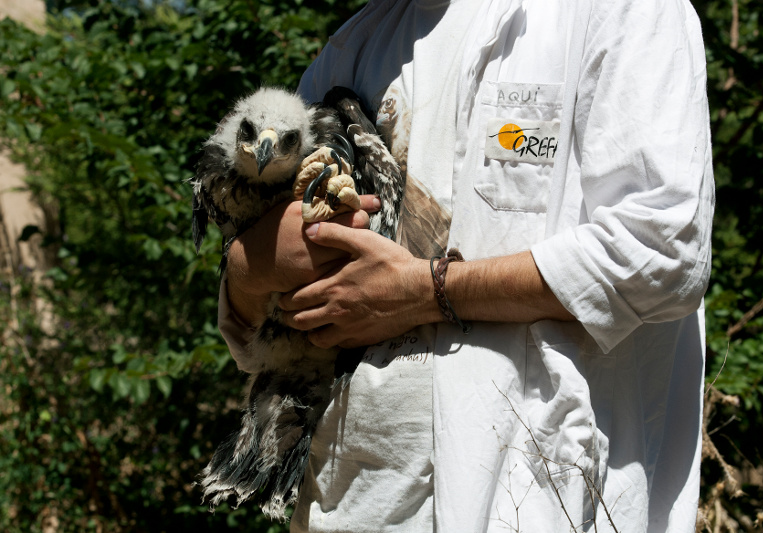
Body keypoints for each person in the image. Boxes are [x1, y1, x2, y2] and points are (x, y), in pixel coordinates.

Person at [218, 0, 715, 530]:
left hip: (528, 497)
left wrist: (423, 292)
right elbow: (256, 335)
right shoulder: (350, 48)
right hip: (347, 501)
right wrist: (249, 268)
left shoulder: (619, 11)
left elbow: (664, 253)